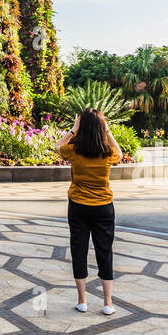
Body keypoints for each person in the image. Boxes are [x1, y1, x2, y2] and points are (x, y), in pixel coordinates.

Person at [58, 109, 123, 315]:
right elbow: (120, 154)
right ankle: (107, 303)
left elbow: (58, 146)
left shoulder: (74, 151)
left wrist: (73, 129)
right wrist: (107, 131)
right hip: (103, 207)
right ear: (100, 128)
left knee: (79, 250)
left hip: (78, 205)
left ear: (82, 126)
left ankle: (82, 300)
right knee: (105, 252)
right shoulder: (106, 152)